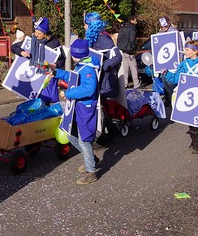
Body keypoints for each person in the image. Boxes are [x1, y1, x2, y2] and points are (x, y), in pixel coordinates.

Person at [53, 39, 100, 184]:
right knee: (71, 133)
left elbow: (89, 89)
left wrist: (68, 93)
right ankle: (91, 158)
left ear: (75, 54)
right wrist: (56, 72)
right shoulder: (81, 65)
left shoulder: (87, 69)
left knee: (84, 140)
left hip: (85, 108)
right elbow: (72, 77)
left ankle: (91, 172)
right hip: (76, 107)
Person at [161, 39, 198, 154]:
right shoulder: (184, 64)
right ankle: (195, 140)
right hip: (186, 94)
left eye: (187, 50)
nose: (185, 52)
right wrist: (166, 73)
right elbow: (176, 78)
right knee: (188, 118)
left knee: (195, 119)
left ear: (195, 51)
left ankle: (197, 144)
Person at [84, 12, 122, 146]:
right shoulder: (92, 38)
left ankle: (110, 132)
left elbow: (117, 56)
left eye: (86, 24)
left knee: (102, 105)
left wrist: (105, 65)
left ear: (92, 25)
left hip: (105, 78)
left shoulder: (104, 38)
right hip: (95, 77)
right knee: (101, 105)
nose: (84, 27)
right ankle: (110, 131)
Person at [11, 17, 65, 104]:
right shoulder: (32, 40)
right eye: (35, 32)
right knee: (33, 105)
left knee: (44, 103)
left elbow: (62, 60)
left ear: (45, 33)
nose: (36, 35)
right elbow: (13, 47)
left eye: (39, 33)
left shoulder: (54, 43)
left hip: (46, 78)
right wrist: (21, 52)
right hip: (32, 78)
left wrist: (55, 65)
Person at [117, 15, 140, 89]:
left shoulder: (122, 27)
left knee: (125, 67)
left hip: (122, 49)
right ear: (132, 20)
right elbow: (132, 40)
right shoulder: (132, 28)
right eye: (135, 20)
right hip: (129, 51)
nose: (136, 22)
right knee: (133, 67)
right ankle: (136, 83)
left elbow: (119, 38)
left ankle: (125, 83)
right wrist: (133, 49)